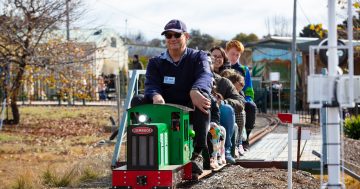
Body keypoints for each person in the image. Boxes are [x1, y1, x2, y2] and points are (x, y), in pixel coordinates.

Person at [131, 19, 213, 171]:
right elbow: (151, 83)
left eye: (177, 34)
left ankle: (197, 153)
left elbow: (206, 76)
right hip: (163, 106)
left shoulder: (198, 57)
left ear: (186, 36)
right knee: (137, 101)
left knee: (204, 102)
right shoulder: (155, 62)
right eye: (168, 35)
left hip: (189, 106)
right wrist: (155, 95)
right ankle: (141, 150)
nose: (173, 38)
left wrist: (196, 90)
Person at [225, 40, 257, 151]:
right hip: (226, 97)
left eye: (237, 55)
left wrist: (247, 99)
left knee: (251, 106)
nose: (234, 57)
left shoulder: (244, 70)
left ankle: (245, 139)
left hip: (240, 97)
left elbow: (249, 89)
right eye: (232, 54)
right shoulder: (223, 67)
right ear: (227, 52)